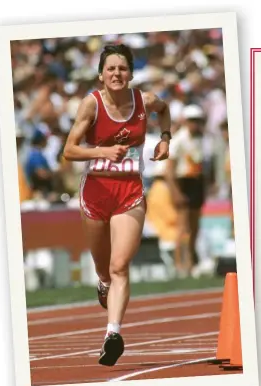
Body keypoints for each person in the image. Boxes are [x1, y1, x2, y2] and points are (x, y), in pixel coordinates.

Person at [63, 44, 171, 366]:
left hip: (130, 193)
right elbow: (69, 150)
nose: (116, 74)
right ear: (101, 75)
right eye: (110, 68)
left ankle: (112, 333)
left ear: (131, 74)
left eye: (122, 69)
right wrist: (102, 152)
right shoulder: (90, 105)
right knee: (104, 267)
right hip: (95, 192)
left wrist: (165, 138)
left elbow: (164, 110)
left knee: (120, 265)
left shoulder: (145, 101)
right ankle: (103, 284)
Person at [164, 104, 207, 278]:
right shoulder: (178, 139)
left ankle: (191, 260)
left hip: (196, 181)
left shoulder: (201, 138)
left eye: (197, 120)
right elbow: (170, 169)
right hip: (183, 182)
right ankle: (179, 262)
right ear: (185, 121)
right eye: (192, 120)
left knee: (195, 226)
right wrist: (175, 191)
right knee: (183, 226)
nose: (195, 124)